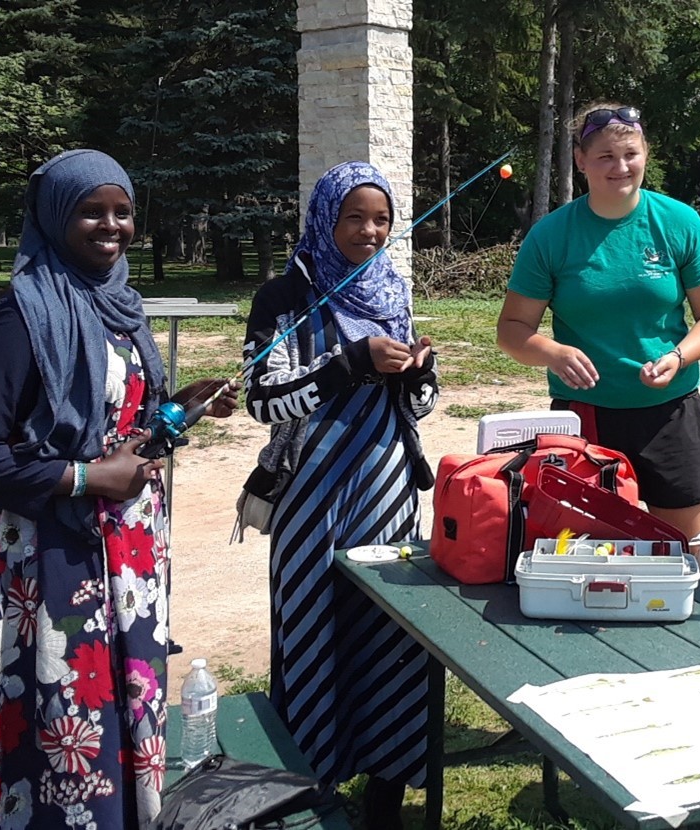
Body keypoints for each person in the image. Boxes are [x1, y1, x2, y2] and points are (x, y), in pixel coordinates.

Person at [0, 149, 239, 827]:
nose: (111, 225)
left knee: (122, 710)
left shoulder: (120, 306)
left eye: (122, 211)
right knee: (62, 728)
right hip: (47, 565)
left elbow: (123, 432)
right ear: (55, 215)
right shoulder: (18, 318)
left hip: (129, 557)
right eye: (92, 210)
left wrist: (180, 408)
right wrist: (88, 477)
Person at [243, 161, 438, 828]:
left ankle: (387, 792)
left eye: (380, 218)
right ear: (325, 218)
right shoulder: (282, 299)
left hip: (385, 491)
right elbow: (262, 401)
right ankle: (310, 791)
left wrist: (420, 373)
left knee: (390, 638)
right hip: (311, 498)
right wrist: (347, 365)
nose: (369, 230)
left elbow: (417, 408)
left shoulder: (393, 291)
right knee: (311, 632)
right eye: (354, 216)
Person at [497, 102, 700, 555]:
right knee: (586, 551)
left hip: (669, 410)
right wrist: (553, 352)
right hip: (584, 417)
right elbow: (511, 329)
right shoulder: (551, 235)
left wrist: (679, 355)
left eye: (630, 153)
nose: (620, 167)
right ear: (580, 160)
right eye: (605, 156)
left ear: (646, 154)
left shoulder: (679, 222)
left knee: (692, 551)